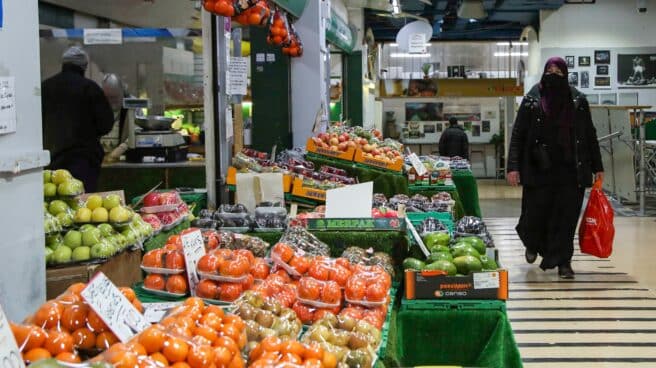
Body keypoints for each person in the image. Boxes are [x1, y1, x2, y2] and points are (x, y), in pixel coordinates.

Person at [507, 57, 604, 279]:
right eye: (549, 69)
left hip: (571, 170)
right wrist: (513, 167)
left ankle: (564, 263)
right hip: (539, 169)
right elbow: (518, 135)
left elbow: (589, 134)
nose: (553, 74)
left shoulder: (578, 100)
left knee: (567, 218)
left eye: (557, 71)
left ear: (565, 73)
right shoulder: (532, 98)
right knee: (535, 215)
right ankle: (532, 243)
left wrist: (598, 166)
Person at [42, 46, 114, 192]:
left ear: (64, 63)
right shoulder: (90, 88)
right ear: (84, 66)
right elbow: (106, 124)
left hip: (51, 159)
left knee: (55, 202)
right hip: (83, 160)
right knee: (82, 204)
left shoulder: (44, 87)